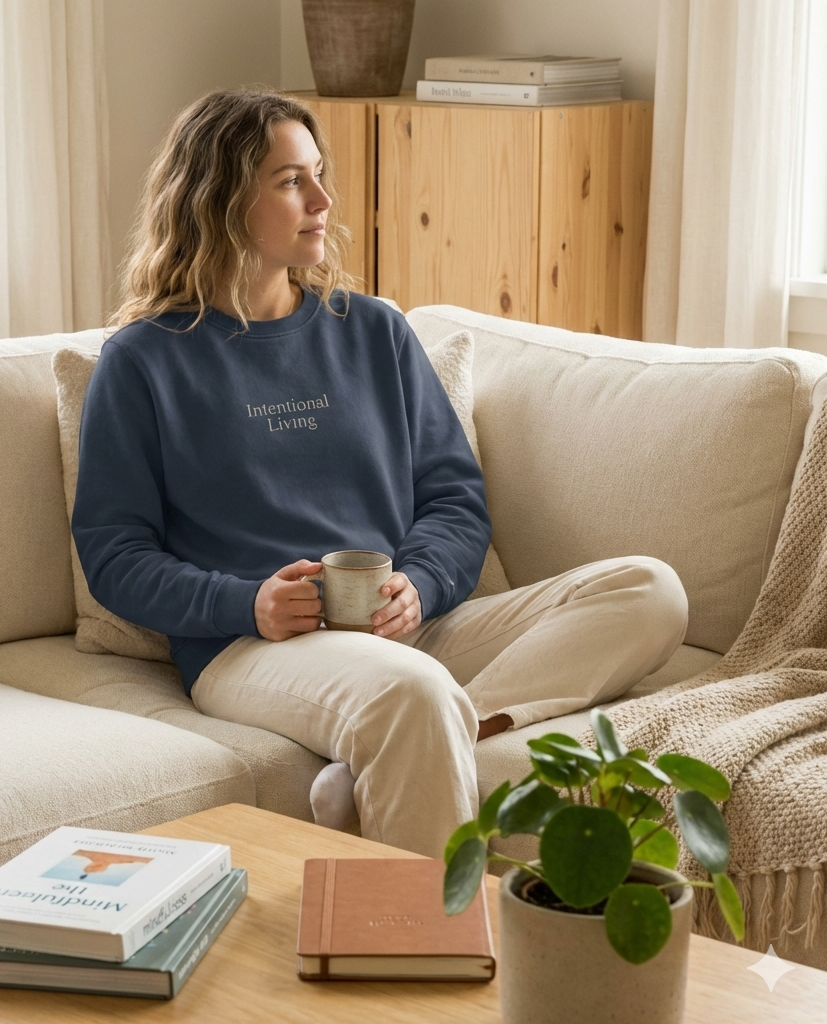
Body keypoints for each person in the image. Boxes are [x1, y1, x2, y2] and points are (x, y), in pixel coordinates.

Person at [72, 87, 688, 859]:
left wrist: (420, 585)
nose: (323, 200)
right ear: (220, 200)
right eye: (291, 180)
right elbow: (114, 554)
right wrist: (247, 602)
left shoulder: (373, 330)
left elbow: (454, 498)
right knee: (413, 691)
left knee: (648, 589)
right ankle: (430, 924)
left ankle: (419, 746)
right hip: (252, 645)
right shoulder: (143, 360)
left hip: (406, 625)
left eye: (319, 174)